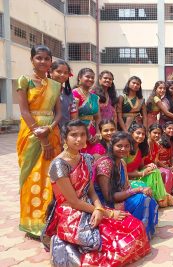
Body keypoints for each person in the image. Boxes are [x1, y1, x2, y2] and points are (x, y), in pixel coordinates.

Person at [42, 120, 150, 266]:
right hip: (70, 211)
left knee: (135, 226)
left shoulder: (85, 158)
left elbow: (91, 190)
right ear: (64, 138)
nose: (79, 139)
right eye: (74, 135)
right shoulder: (59, 164)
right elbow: (73, 201)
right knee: (110, 246)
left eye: (82, 134)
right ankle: (61, 240)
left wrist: (100, 208)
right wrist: (107, 213)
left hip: (90, 206)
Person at [16, 45, 62, 238]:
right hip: (31, 132)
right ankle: (32, 223)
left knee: (51, 177)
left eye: (46, 59)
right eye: (39, 58)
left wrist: (49, 129)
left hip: (52, 130)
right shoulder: (24, 80)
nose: (43, 62)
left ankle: (50, 219)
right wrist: (39, 132)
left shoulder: (55, 84)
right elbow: (24, 111)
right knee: (30, 177)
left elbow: (58, 112)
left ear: (51, 61)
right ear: (32, 60)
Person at [94, 131, 158, 239]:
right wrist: (137, 190)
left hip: (119, 197)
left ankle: (143, 232)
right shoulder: (105, 164)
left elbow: (126, 187)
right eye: (119, 146)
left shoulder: (122, 163)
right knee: (142, 199)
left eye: (127, 146)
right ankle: (137, 233)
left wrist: (141, 189)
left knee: (147, 195)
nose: (123, 149)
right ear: (112, 146)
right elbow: (109, 197)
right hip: (105, 203)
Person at [125, 123, 173, 207]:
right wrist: (141, 173)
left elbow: (141, 166)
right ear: (131, 133)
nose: (141, 136)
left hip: (136, 175)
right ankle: (159, 199)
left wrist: (148, 166)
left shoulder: (141, 149)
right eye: (138, 133)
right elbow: (122, 173)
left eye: (142, 134)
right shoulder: (125, 149)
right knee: (159, 173)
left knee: (154, 171)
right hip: (126, 181)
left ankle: (160, 199)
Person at [72, 68, 101, 154]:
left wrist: (98, 132)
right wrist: (87, 134)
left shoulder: (95, 97)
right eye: (87, 77)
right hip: (79, 131)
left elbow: (98, 117)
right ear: (79, 78)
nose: (91, 79)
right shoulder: (74, 94)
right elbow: (74, 118)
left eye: (92, 78)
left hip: (94, 132)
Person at [49, 59, 78, 130]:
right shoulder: (44, 90)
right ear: (51, 72)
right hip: (47, 131)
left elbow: (73, 115)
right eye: (59, 71)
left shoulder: (69, 93)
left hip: (64, 132)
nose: (62, 75)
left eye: (66, 73)